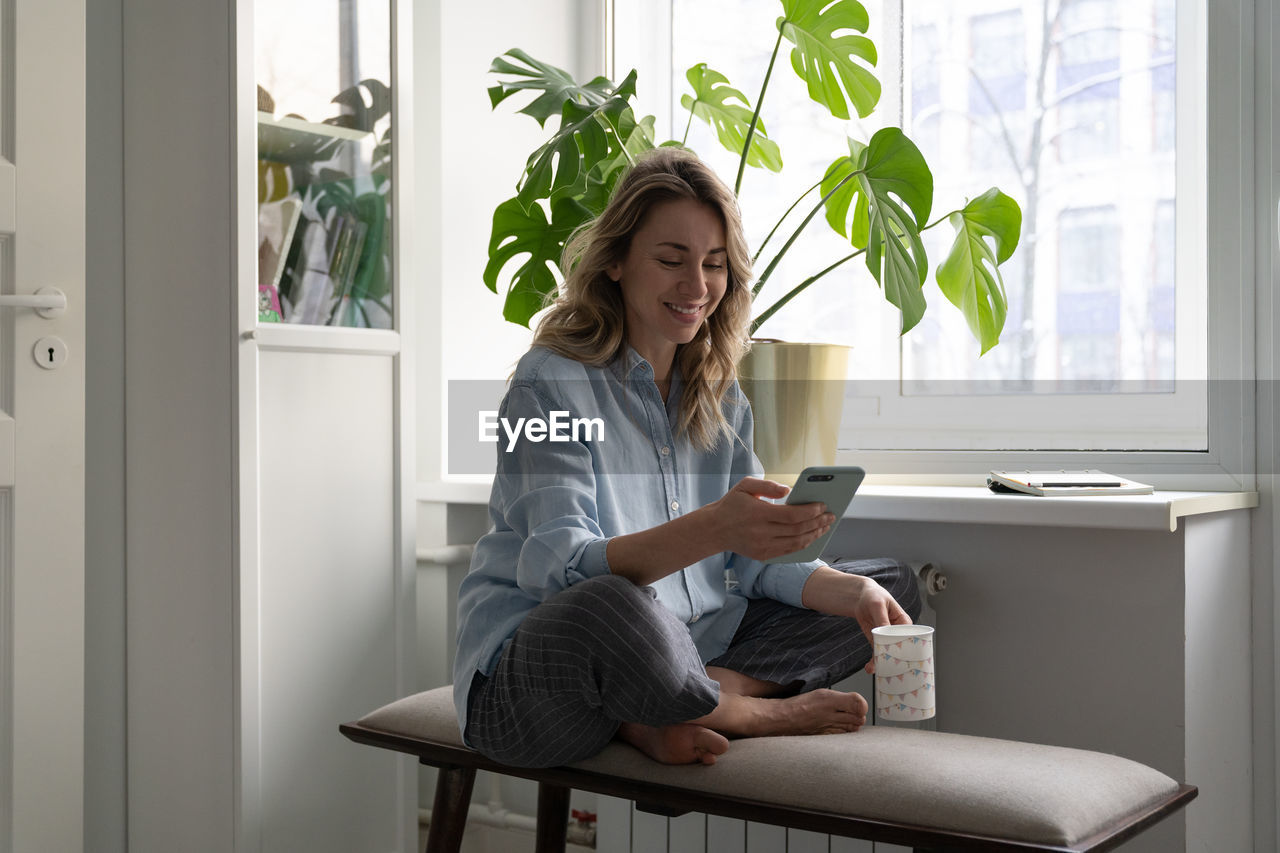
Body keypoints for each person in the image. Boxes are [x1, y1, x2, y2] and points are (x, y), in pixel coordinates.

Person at [454, 147, 921, 769]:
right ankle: (738, 709)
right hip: (535, 683)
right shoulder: (549, 383)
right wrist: (717, 526)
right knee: (612, 602)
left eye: (714, 264)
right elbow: (558, 570)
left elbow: (751, 566)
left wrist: (842, 586)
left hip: (680, 655)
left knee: (887, 586)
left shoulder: (721, 393)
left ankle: (663, 710)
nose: (697, 287)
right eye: (672, 260)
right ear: (616, 261)